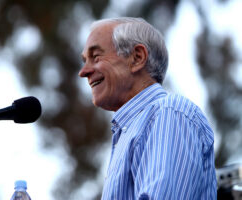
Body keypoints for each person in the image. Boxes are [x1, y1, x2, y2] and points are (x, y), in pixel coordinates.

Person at [78, 17, 217, 199]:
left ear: (137, 58)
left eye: (95, 57)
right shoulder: (130, 131)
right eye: (84, 61)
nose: (83, 72)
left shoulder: (168, 113)